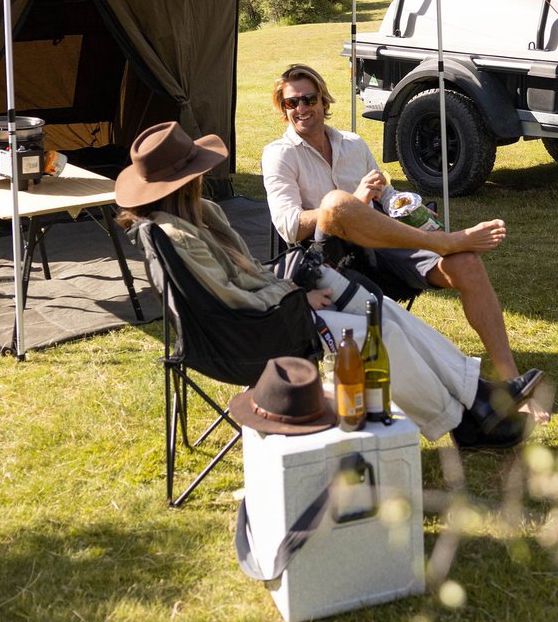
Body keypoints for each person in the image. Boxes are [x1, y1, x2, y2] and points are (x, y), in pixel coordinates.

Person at [115, 121, 539, 449]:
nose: (204, 176)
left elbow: (244, 275)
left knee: (377, 307)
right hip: (255, 332)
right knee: (381, 334)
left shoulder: (199, 214)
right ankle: (463, 422)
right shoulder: (174, 236)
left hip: (272, 307)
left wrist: (295, 286)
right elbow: (229, 298)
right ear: (186, 180)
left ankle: (481, 394)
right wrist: (296, 300)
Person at [261, 63, 545, 420]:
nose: (301, 109)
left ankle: (510, 381)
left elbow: (390, 198)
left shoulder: (351, 143)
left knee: (467, 264)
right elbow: (289, 227)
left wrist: (417, 217)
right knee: (338, 203)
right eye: (291, 103)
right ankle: (446, 242)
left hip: (383, 242)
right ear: (282, 107)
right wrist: (355, 201)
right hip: (329, 261)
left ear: (322, 99)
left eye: (308, 99)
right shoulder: (280, 154)